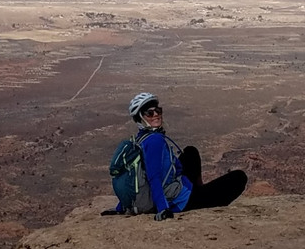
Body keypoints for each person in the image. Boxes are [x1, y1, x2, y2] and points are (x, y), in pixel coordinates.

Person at [105, 91, 248, 220]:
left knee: (190, 152)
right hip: (178, 201)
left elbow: (135, 175)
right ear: (140, 118)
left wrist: (121, 207)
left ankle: (198, 191)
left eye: (158, 111)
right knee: (239, 177)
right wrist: (163, 209)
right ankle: (200, 201)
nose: (156, 115)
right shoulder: (155, 140)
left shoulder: (141, 138)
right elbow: (153, 176)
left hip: (176, 185)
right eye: (150, 113)